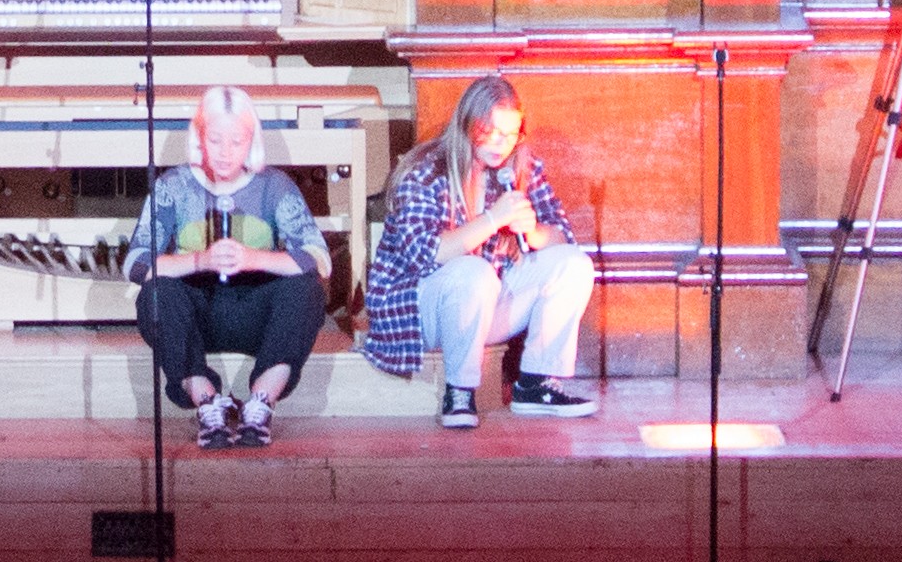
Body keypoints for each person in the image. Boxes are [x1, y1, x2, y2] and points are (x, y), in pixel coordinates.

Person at [359, 73, 596, 429]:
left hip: (485, 306)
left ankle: (536, 383)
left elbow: (564, 237)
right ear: (470, 124)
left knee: (573, 264)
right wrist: (491, 218)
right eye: (492, 132)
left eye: (511, 134)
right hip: (421, 309)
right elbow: (425, 254)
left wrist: (533, 232)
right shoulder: (427, 171)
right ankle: (459, 391)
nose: (502, 144)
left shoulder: (522, 168)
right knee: (473, 271)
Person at [135, 86, 331, 450]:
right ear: (199, 137)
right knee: (156, 294)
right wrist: (199, 260)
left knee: (306, 289)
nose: (225, 153)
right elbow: (136, 264)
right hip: (196, 314)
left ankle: (261, 403)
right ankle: (207, 401)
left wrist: (254, 259)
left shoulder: (274, 186)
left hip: (257, 313)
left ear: (251, 141)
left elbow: (319, 257)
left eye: (236, 142)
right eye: (215, 140)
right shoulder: (173, 186)